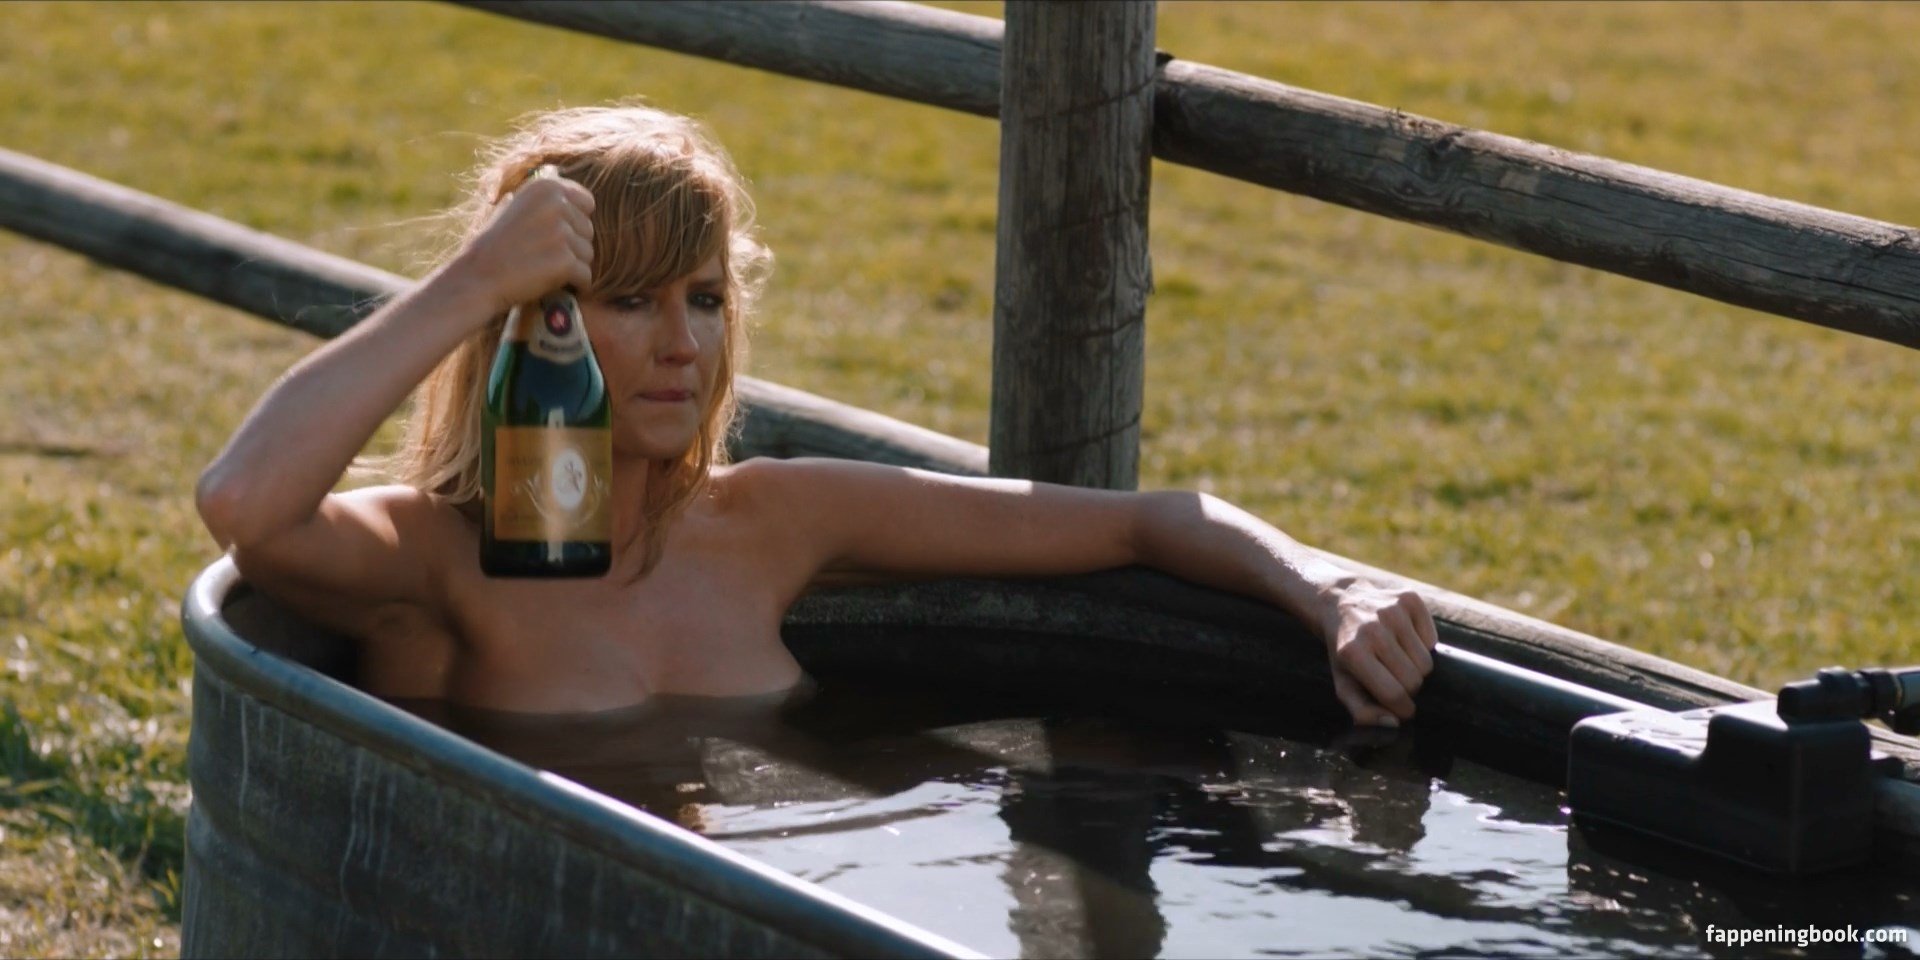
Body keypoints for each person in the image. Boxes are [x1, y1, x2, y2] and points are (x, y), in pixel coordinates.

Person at [194, 102, 1436, 727]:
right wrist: (472, 281)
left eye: (705, 299)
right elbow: (243, 502)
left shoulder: (773, 520)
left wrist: (1330, 589)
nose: (684, 344)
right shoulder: (432, 560)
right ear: (537, 324)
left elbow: (1143, 522)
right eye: (628, 301)